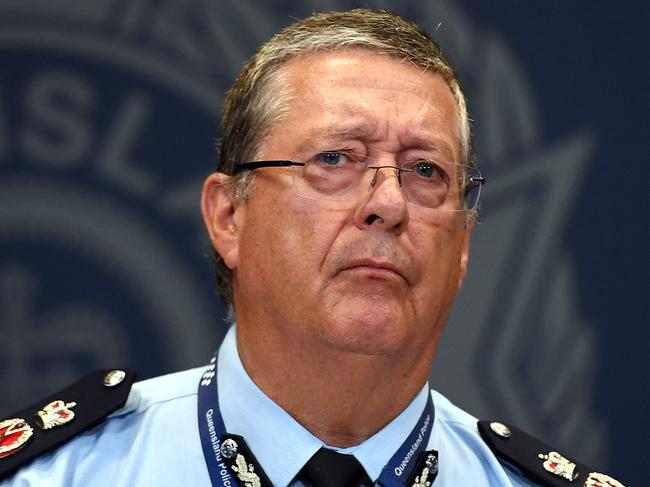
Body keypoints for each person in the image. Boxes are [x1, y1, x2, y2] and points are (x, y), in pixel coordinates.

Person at [0, 8, 624, 487]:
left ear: (463, 248)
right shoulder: (62, 474)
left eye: (427, 171)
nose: (388, 203)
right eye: (335, 160)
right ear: (228, 217)